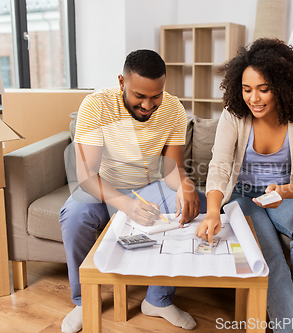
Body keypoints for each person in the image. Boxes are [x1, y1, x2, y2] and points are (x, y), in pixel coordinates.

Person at [60, 49, 206, 333]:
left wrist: (185, 186)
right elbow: (86, 175)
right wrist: (126, 205)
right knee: (73, 216)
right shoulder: (95, 106)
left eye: (156, 96)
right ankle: (83, 302)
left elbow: (172, 169)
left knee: (187, 204)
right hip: (99, 187)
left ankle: (157, 300)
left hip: (148, 185)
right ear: (121, 82)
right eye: (139, 96)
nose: (148, 105)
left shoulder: (174, 109)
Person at [195, 38, 293, 332]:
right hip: (242, 196)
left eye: (263, 89)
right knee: (270, 258)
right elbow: (219, 166)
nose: (254, 98)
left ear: (282, 86)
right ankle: (288, 325)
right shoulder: (234, 115)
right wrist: (213, 211)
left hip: (286, 193)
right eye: (246, 89)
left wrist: (286, 191)